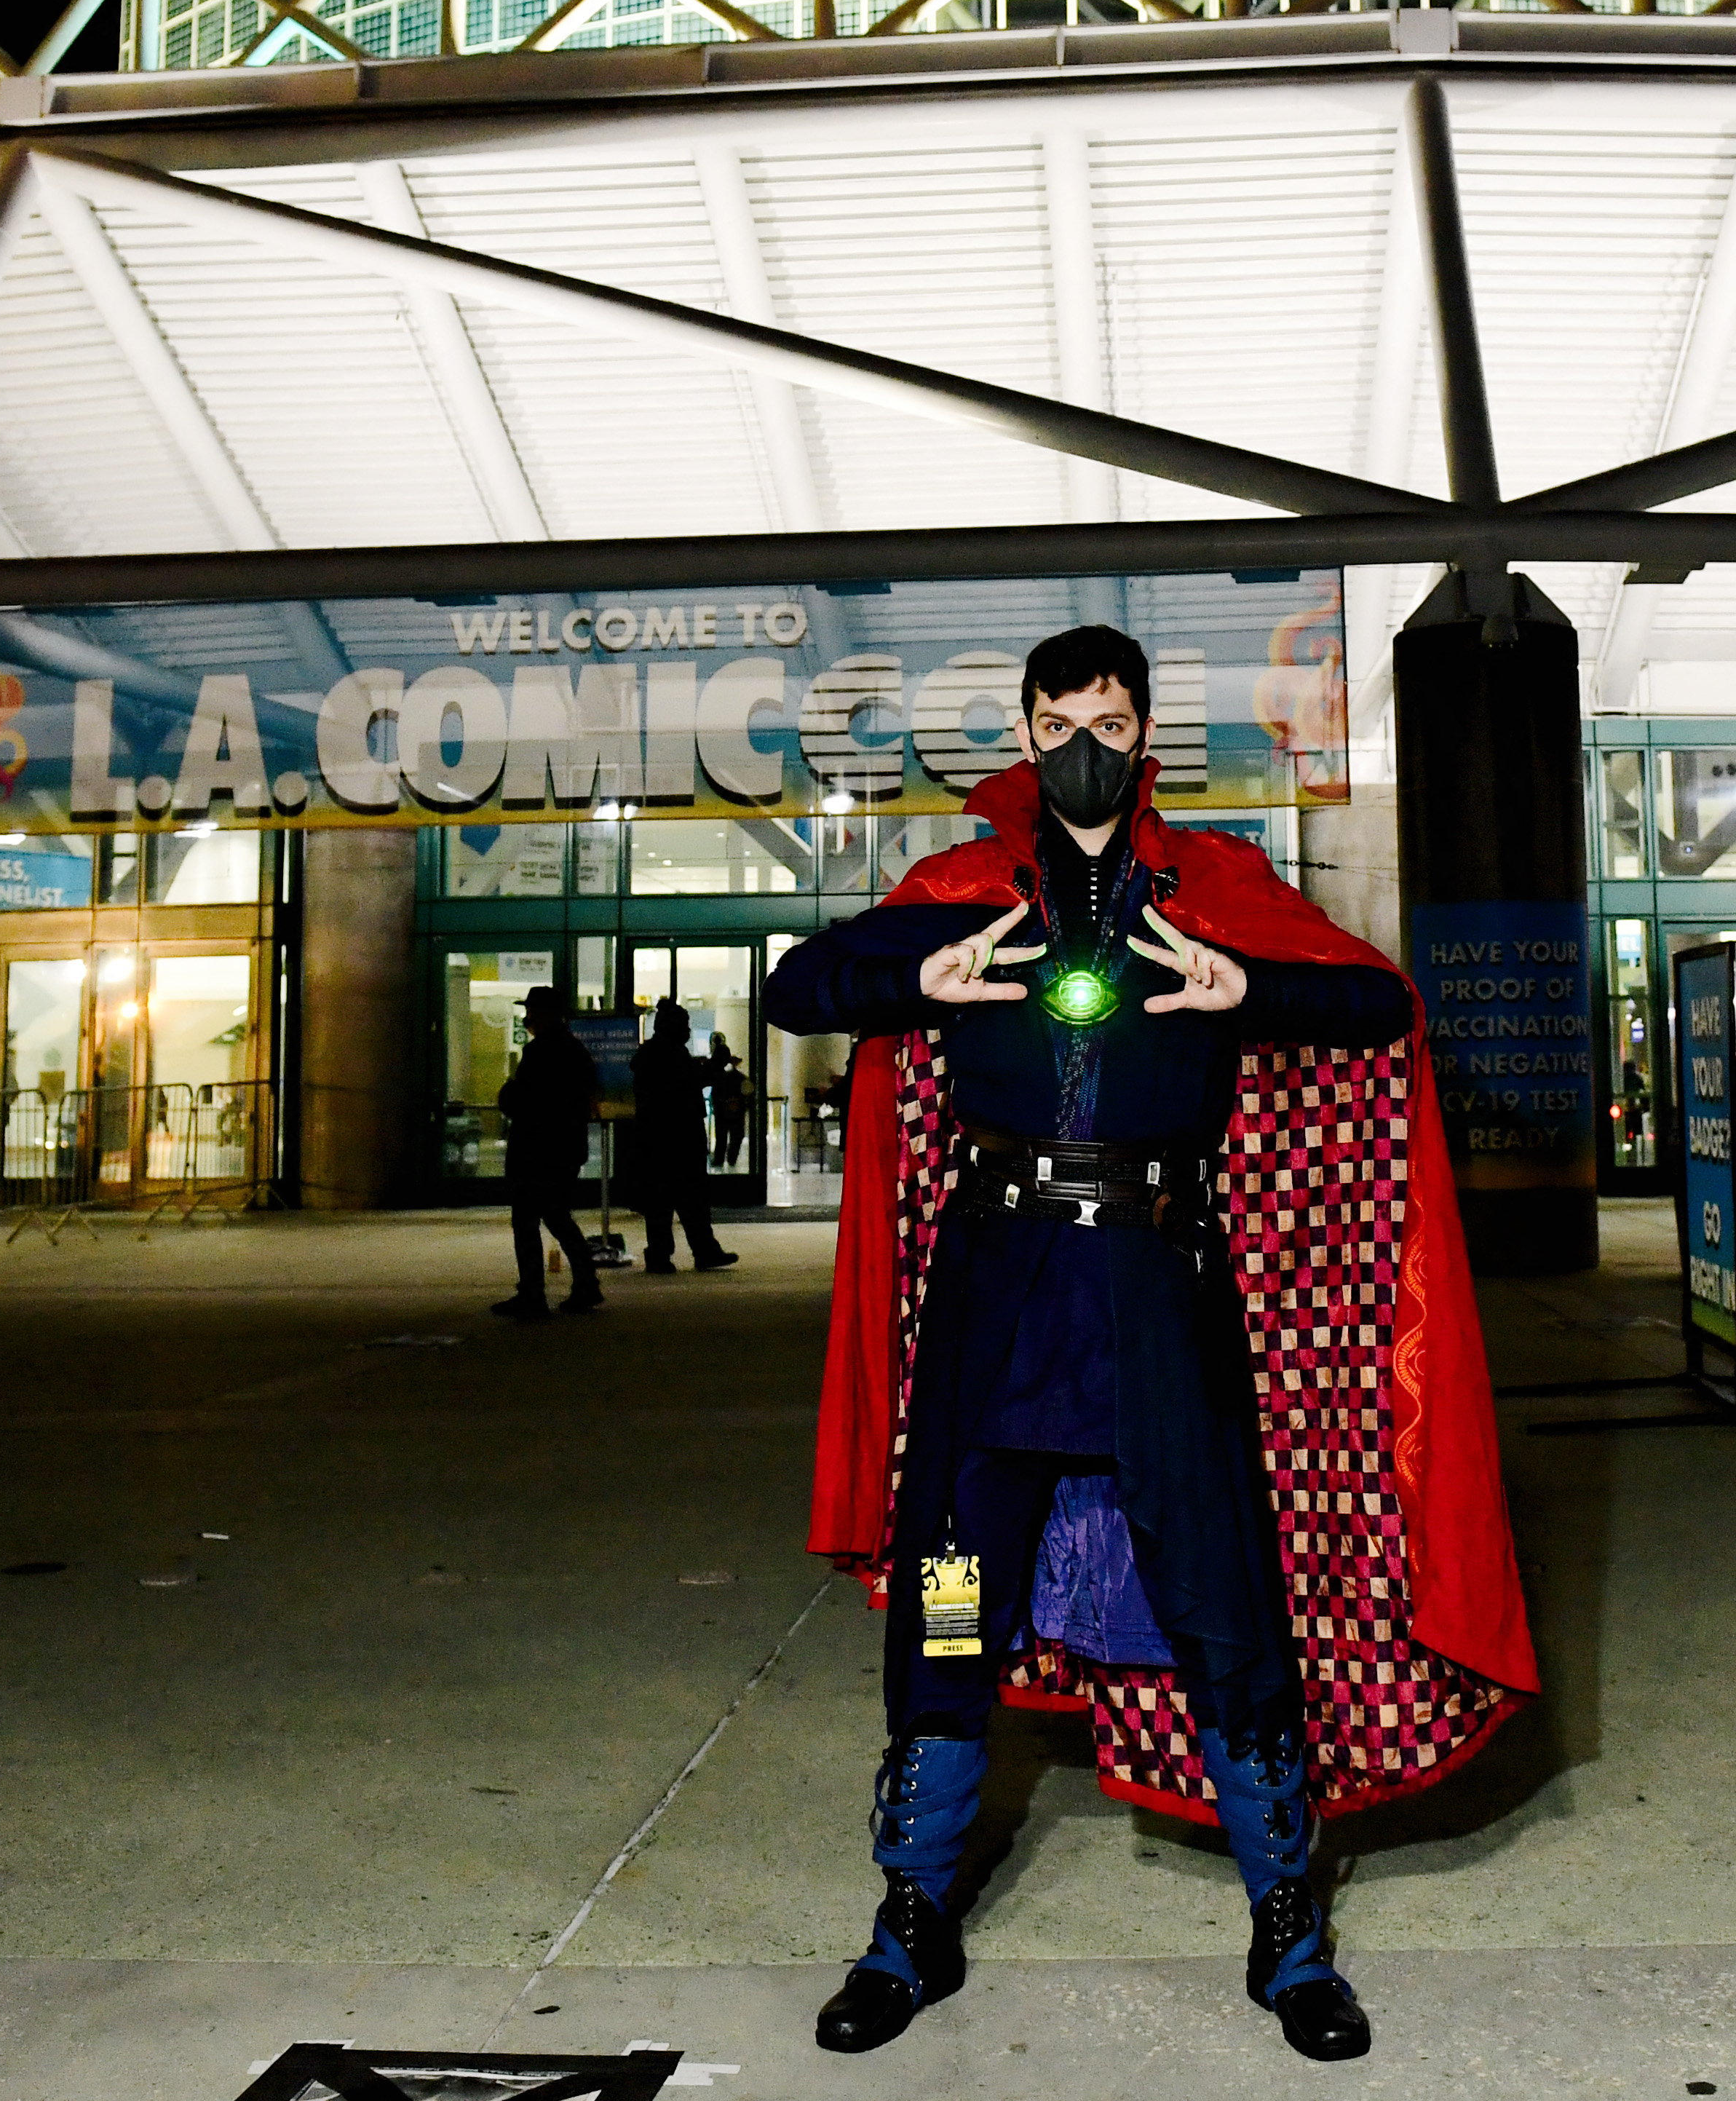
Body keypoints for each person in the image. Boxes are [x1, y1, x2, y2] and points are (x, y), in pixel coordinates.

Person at [778, 625, 1535, 2065]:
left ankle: (1289, 1938)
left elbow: (1378, 1000)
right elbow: (796, 986)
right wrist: (912, 982)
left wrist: (1253, 991)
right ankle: (908, 1920)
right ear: (1024, 728)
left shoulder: (1218, 890)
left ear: (1145, 736)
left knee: (1222, 1608)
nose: (1083, 745)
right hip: (996, 1312)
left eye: (1110, 721)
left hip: (1157, 1303)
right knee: (948, 1607)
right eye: (1060, 719)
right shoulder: (956, 893)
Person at [490, 984, 605, 1322]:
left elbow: (526, 1100)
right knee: (557, 1217)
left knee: (528, 1221)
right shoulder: (575, 1051)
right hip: (563, 1149)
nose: (528, 1018)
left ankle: (533, 1293)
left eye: (532, 1012)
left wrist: (509, 1095)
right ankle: (585, 1284)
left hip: (538, 1151)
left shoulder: (542, 1052)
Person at [628, 1000, 735, 1273]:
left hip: (659, 1138)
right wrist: (717, 1063)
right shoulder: (668, 1054)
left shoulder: (653, 1053)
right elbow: (692, 1080)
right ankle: (699, 1251)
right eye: (685, 1025)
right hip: (678, 1137)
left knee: (662, 1201)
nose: (688, 1031)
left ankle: (665, 1254)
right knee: (690, 1199)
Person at [706, 1038, 750, 1174]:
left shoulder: (718, 1077)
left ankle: (720, 1159)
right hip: (735, 1111)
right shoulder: (739, 1078)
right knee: (735, 1136)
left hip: (722, 1111)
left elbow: (715, 1094)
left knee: (722, 1136)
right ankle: (731, 1159)